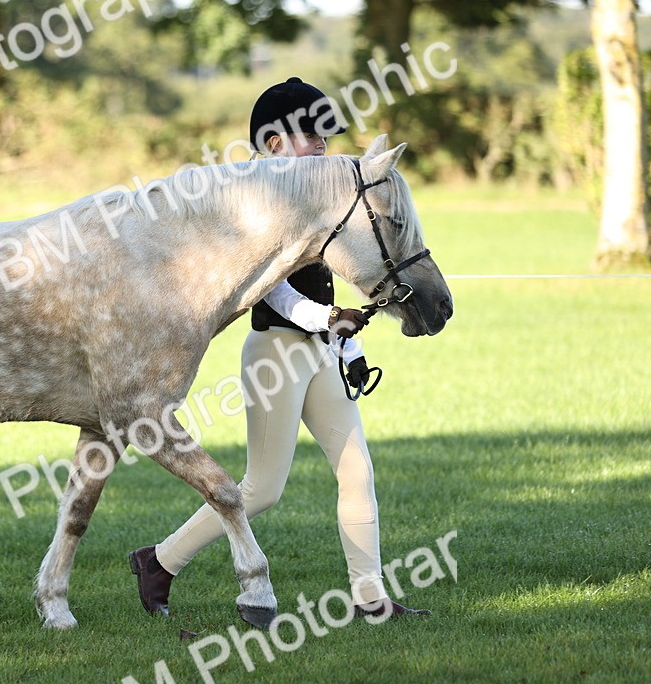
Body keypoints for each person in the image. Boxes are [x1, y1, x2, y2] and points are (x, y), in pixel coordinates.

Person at [128, 77, 430, 623]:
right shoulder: (255, 210)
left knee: (357, 473)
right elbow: (275, 291)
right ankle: (159, 561)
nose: (321, 145)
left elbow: (331, 288)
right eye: (310, 135)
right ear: (272, 145)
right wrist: (325, 318)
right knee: (262, 489)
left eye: (325, 136)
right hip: (276, 356)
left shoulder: (318, 203)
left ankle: (371, 598)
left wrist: (345, 349)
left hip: (320, 355)